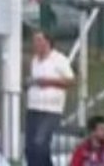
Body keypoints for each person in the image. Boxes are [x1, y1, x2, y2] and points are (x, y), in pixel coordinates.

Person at [25, 31, 74, 166]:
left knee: (40, 144)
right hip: (33, 107)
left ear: (47, 42)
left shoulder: (59, 59)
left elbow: (70, 81)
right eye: (34, 41)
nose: (35, 44)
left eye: (38, 40)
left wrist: (48, 81)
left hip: (51, 110)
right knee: (30, 148)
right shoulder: (35, 60)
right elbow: (36, 80)